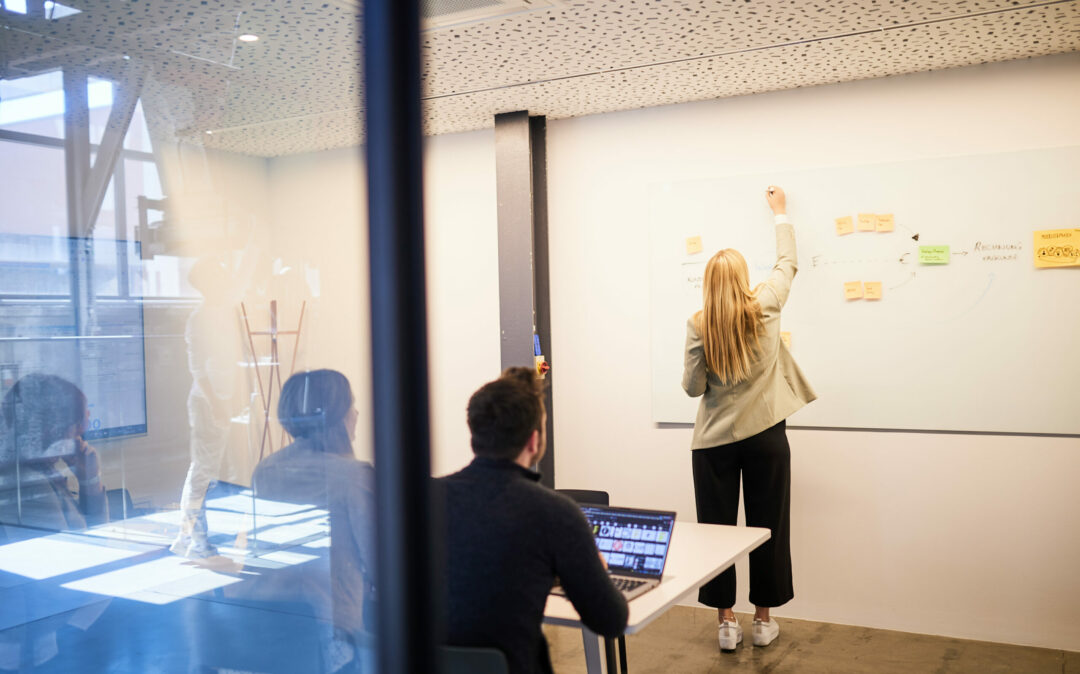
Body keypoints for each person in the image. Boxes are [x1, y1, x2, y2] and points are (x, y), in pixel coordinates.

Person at [682, 185, 816, 651]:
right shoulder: (765, 305)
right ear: (741, 278)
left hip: (713, 443)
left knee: (717, 534)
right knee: (769, 527)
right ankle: (762, 621)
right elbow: (787, 265)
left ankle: (725, 623)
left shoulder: (700, 324)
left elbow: (692, 388)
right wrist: (780, 213)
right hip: (767, 440)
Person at [439, 367, 628, 674]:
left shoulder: (422, 499)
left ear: (474, 434)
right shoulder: (555, 513)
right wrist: (594, 568)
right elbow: (610, 620)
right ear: (533, 441)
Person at [250, 369, 374, 672]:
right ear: (338, 416)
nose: (356, 413)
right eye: (351, 405)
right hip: (332, 635)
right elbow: (381, 560)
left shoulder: (266, 469)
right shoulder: (353, 476)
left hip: (270, 628)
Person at [171, 255, 245, 558]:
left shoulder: (224, 314)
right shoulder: (200, 318)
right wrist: (217, 405)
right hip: (207, 403)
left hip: (219, 401)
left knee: (204, 472)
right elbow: (198, 369)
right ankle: (193, 540)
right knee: (202, 473)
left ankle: (188, 538)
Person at [0, 373, 108, 531]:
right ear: (54, 430)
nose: (80, 437)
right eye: (77, 426)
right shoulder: (29, 484)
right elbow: (91, 546)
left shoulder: (41, 470)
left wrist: (89, 481)